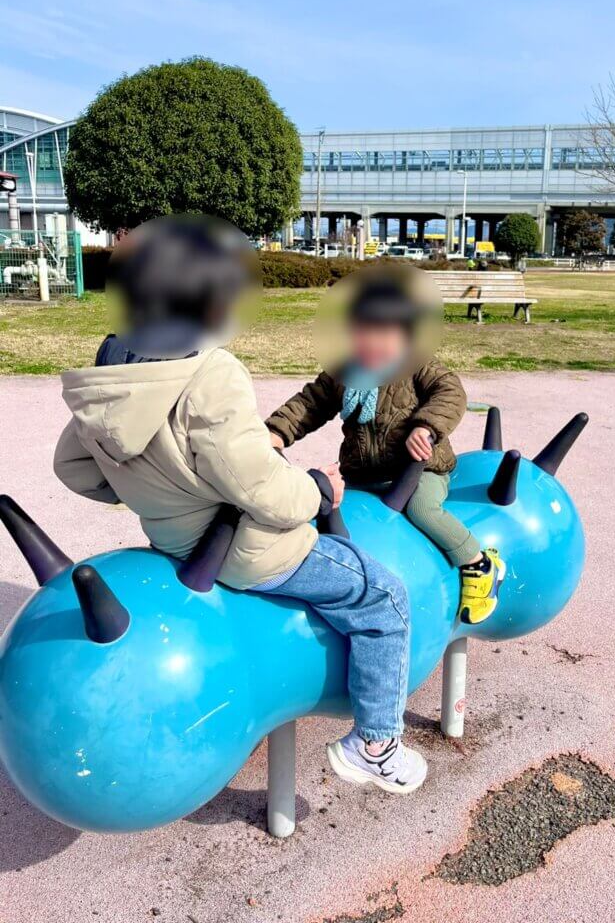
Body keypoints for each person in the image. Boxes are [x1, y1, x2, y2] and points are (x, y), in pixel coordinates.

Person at [53, 215, 427, 795]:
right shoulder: (209, 373)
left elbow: (75, 467)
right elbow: (259, 490)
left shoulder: (113, 365)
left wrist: (154, 491)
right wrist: (317, 490)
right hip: (251, 550)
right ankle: (376, 743)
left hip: (173, 544)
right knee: (384, 597)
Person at [266, 272, 505, 625]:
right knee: (325, 507)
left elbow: (450, 393)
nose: (372, 343)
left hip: (419, 469)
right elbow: (309, 404)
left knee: (422, 509)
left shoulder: (418, 366)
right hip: (363, 472)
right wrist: (275, 433)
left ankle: (479, 564)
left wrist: (426, 426)